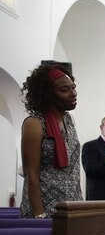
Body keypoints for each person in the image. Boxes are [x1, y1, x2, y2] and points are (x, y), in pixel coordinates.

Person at [19, 63, 82, 218]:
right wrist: (39, 215)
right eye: (64, 90)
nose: (73, 93)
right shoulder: (34, 124)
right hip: (44, 210)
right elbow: (31, 174)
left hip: (71, 207)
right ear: (48, 94)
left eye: (73, 87)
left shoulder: (69, 120)